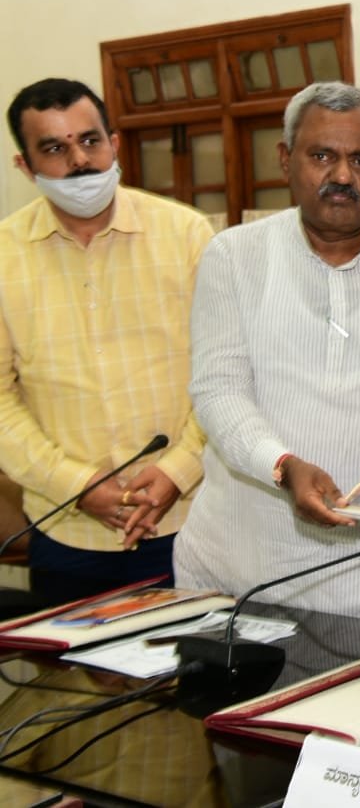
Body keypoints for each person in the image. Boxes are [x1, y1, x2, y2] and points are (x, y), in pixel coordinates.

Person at [175, 82, 360, 630]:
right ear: (286, 159)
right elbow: (218, 391)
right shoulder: (233, 256)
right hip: (246, 572)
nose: (343, 176)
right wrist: (282, 465)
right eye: (323, 156)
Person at [0, 78, 211, 602]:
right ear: (24, 166)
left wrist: (177, 469)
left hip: (196, 523)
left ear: (114, 143)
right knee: (72, 683)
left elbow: (229, 374)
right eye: (54, 148)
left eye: (90, 140)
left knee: (206, 681)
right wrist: (76, 485)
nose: (79, 160)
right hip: (67, 534)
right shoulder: (3, 257)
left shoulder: (187, 236)